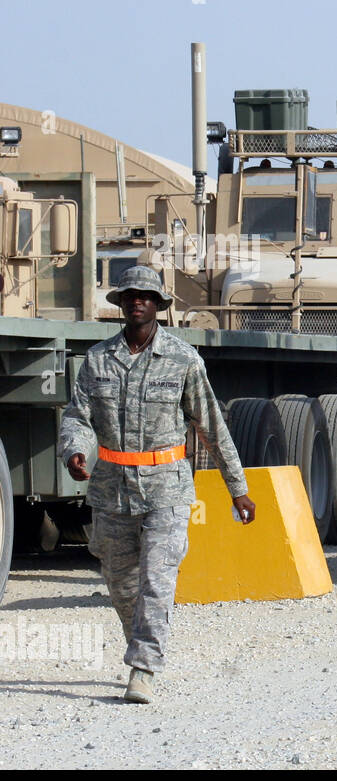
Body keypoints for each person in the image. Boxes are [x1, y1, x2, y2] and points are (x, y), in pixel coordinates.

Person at [58, 266, 255, 704]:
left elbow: (211, 426)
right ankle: (140, 640)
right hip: (111, 491)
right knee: (121, 583)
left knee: (156, 580)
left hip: (167, 490)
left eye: (145, 295)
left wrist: (236, 487)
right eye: (129, 295)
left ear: (160, 304)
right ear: (121, 304)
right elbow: (78, 416)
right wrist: (74, 449)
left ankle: (143, 668)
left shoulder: (183, 359)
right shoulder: (97, 360)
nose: (136, 301)